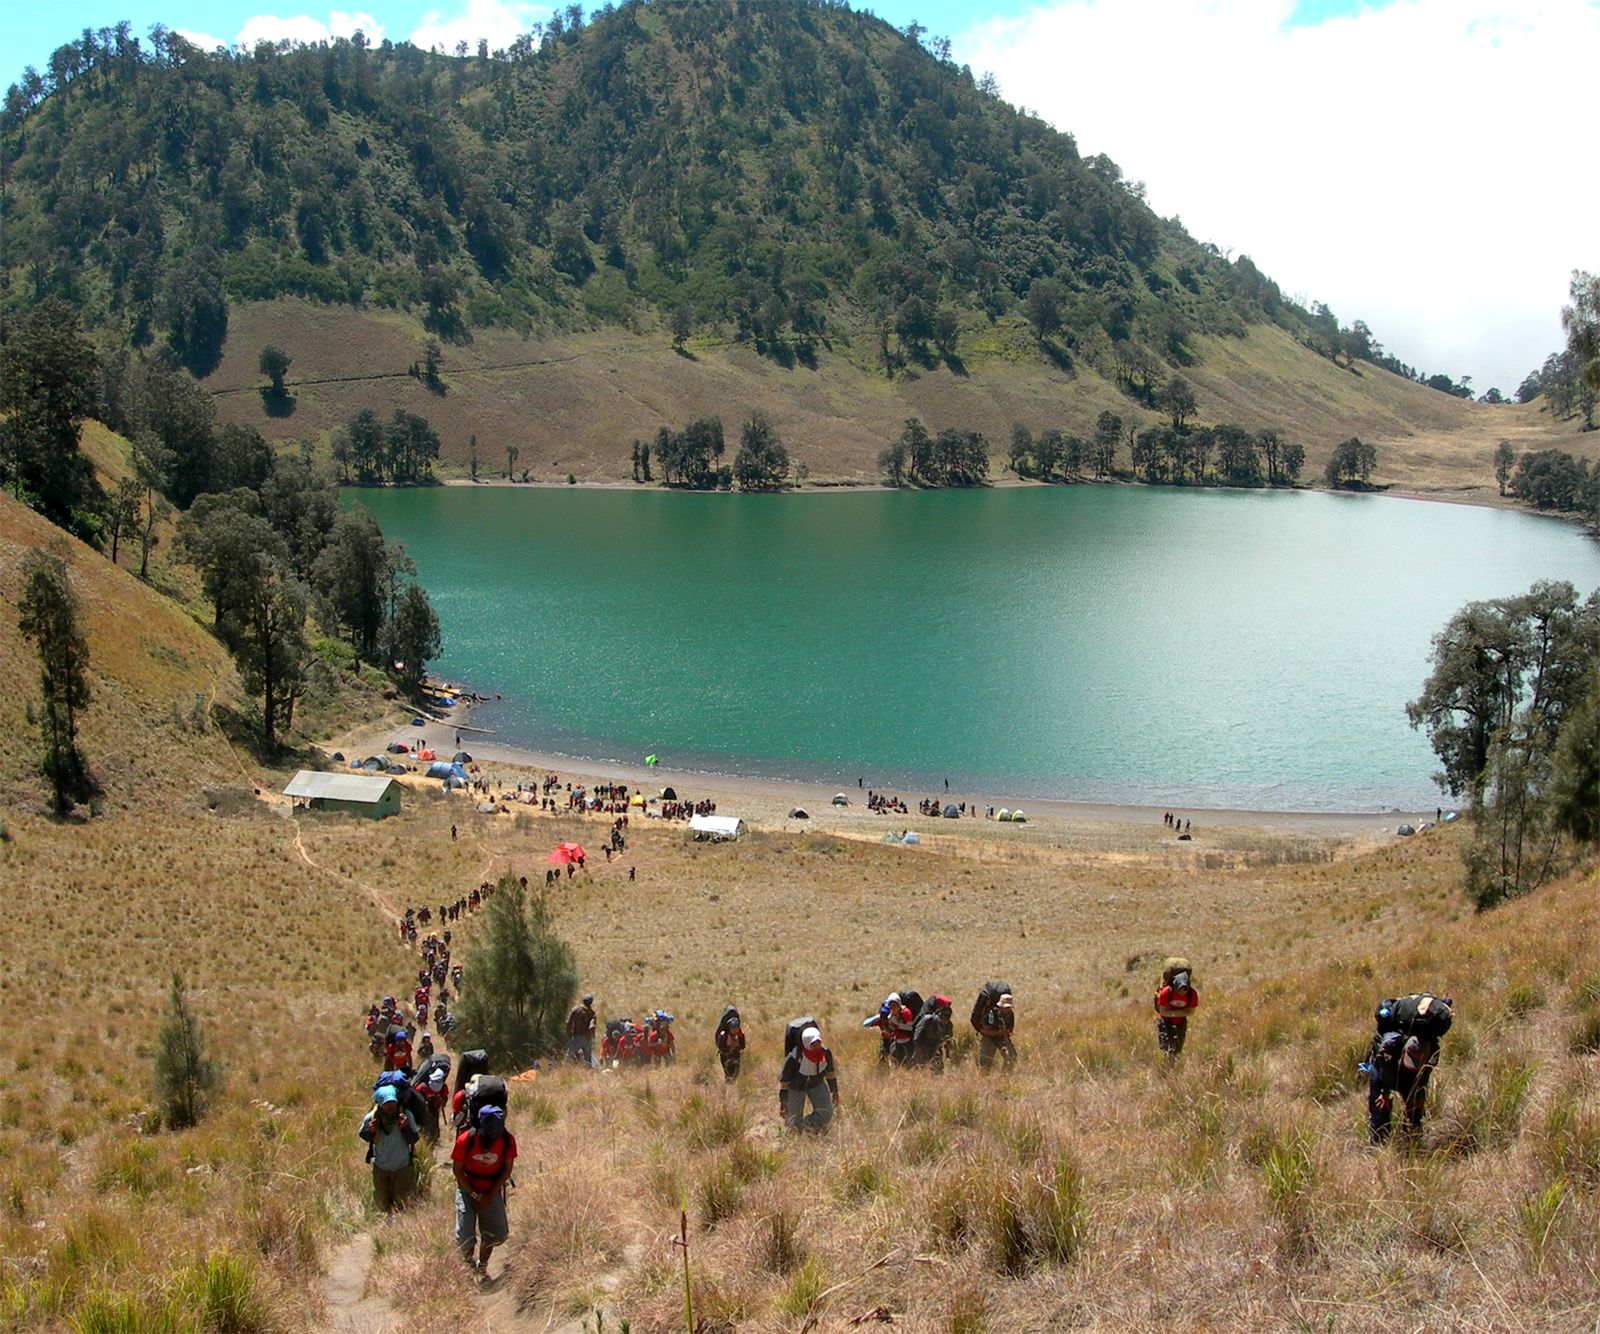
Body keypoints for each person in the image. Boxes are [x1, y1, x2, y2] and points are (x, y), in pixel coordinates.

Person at [1365, 994, 1453, 1144]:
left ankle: (1413, 1144)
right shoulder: (1390, 1046)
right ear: (1404, 1052)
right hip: (1385, 1063)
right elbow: (1386, 1065)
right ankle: (1378, 1144)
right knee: (1380, 1106)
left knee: (1415, 1109)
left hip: (1408, 1057)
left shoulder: (1430, 1046)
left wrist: (1417, 1095)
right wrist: (1385, 1092)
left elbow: (1424, 1073)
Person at [451, 1104, 517, 1276]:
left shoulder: (507, 1140)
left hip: (491, 1190)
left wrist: (489, 1195)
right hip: (467, 1190)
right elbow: (457, 1170)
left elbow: (507, 1170)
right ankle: (468, 1266)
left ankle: (483, 1266)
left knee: (497, 1234)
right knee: (465, 1234)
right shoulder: (466, 1140)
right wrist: (474, 1194)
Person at [359, 1085, 419, 1213]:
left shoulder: (406, 1116)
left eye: (393, 1103)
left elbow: (414, 1139)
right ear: (380, 1103)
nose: (391, 1107)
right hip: (381, 1167)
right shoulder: (371, 1118)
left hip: (402, 1167)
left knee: (403, 1205)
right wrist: (371, 1132)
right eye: (387, 1103)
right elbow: (363, 1135)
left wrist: (405, 1129)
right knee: (382, 1205)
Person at [779, 1025, 838, 1133]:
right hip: (796, 1087)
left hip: (816, 1084)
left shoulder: (825, 1054)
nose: (817, 1046)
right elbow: (784, 1080)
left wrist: (834, 1090)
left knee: (826, 1113)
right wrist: (783, 1101)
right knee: (792, 1124)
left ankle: (805, 1126)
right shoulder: (794, 1057)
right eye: (813, 1044)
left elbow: (830, 1073)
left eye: (818, 1042)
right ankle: (795, 1133)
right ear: (806, 1044)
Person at [1154, 965, 1199, 1059]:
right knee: (1165, 1047)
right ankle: (1165, 1066)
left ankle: (1174, 1065)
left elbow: (1191, 1012)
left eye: (1185, 989)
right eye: (1180, 988)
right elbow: (1162, 1011)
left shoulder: (1192, 994)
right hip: (1165, 1022)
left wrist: (1172, 1013)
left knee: (1178, 1048)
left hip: (1180, 1023)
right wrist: (1182, 1012)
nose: (1183, 992)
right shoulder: (1166, 992)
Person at [909, 996, 954, 1073]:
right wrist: (917, 1047)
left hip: (935, 1047)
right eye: (944, 1016)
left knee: (938, 1069)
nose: (945, 1019)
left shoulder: (949, 1025)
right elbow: (918, 1033)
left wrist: (947, 1053)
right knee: (918, 1068)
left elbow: (948, 1039)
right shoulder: (927, 1019)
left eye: (948, 1017)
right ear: (939, 1014)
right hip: (923, 1046)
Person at [974, 992, 1017, 1072]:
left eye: (1008, 1007)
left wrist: (1005, 1033)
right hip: (989, 1038)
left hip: (1003, 1038)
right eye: (1005, 1007)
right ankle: (984, 1081)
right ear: (1000, 1006)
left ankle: (1005, 1077)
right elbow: (984, 1030)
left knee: (1011, 1057)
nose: (1007, 1009)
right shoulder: (991, 1014)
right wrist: (998, 1032)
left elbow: (1010, 1029)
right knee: (985, 1063)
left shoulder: (1010, 1015)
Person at [715, 1007, 746, 1082]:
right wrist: (729, 1048)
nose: (735, 1030)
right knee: (728, 1074)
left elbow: (743, 1046)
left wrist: (737, 1046)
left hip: (736, 1054)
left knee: (736, 1073)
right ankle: (728, 1089)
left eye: (736, 1028)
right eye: (733, 1029)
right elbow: (720, 1047)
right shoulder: (723, 1035)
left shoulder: (740, 1034)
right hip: (726, 1056)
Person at [566, 994, 597, 1066]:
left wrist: (569, 1034)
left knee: (569, 1056)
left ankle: (564, 1070)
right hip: (587, 1038)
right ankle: (589, 1073)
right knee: (588, 1059)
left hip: (577, 1036)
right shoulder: (592, 1013)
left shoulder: (576, 1010)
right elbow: (592, 1027)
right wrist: (591, 1037)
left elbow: (568, 1022)